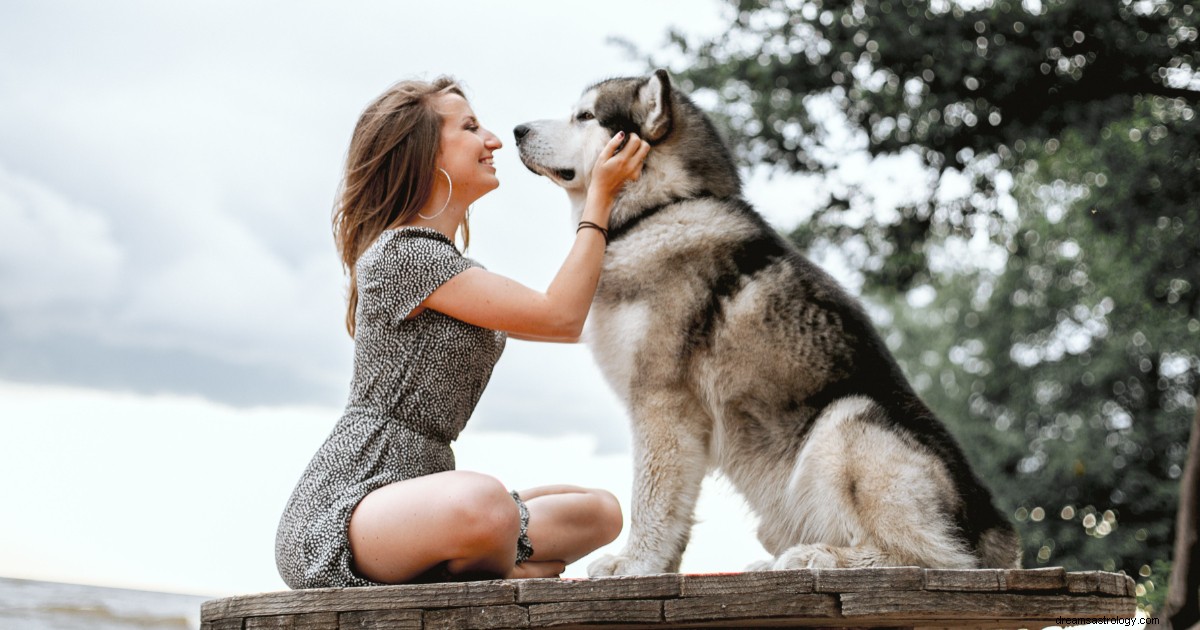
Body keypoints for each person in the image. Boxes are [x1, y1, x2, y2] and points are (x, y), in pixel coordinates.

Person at [274, 76, 651, 589]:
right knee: (483, 501)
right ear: (425, 152)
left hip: (431, 493)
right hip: (349, 508)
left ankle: (480, 556)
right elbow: (558, 316)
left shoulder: (454, 267)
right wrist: (598, 199)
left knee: (601, 512)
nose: (494, 140)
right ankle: (500, 561)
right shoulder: (402, 255)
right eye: (471, 127)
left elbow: (572, 321)